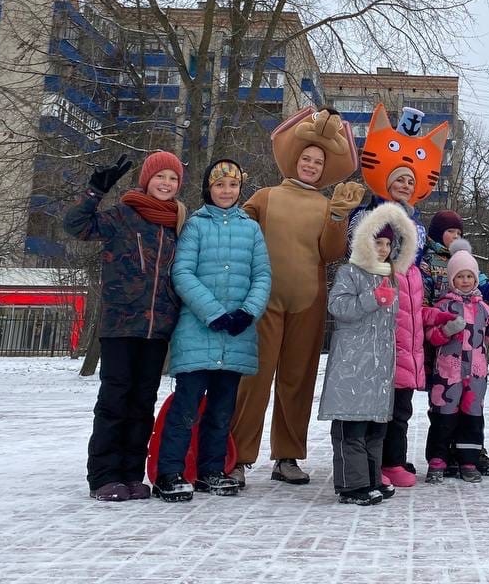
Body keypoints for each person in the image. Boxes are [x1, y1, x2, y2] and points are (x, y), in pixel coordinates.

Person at [229, 108, 365, 488]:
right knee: (253, 379)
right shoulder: (265, 196)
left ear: (324, 169)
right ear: (295, 159)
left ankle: (287, 456)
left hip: (309, 301)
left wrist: (338, 216)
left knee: (297, 379)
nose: (310, 165)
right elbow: (236, 234)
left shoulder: (326, 205)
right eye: (306, 158)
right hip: (264, 301)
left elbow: (331, 253)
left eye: (317, 161)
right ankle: (237, 457)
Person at [63, 150, 187, 502]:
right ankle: (103, 476)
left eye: (173, 178)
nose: (166, 183)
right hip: (120, 325)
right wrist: (93, 192)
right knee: (114, 401)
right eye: (160, 176)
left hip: (159, 327)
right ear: (146, 180)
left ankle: (131, 474)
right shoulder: (122, 216)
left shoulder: (178, 223)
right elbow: (76, 226)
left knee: (142, 403)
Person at [154, 159, 271, 502]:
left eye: (232, 185)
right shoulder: (195, 226)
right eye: (219, 185)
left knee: (222, 410)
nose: (226, 191)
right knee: (187, 407)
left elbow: (262, 275)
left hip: (237, 335)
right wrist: (213, 313)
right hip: (198, 332)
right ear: (209, 187)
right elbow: (183, 273)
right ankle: (170, 471)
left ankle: (211, 470)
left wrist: (248, 312)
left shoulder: (250, 229)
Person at [350, 104, 452, 490]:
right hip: (377, 319)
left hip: (408, 321)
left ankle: (395, 459)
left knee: (403, 401)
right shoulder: (366, 215)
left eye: (411, 181)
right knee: (378, 398)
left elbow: (419, 272)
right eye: (399, 179)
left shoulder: (419, 228)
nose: (405, 185)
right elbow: (357, 258)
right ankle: (373, 461)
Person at [318, 201, 419, 505]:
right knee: (352, 426)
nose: (384, 248)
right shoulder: (351, 272)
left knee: (375, 428)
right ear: (364, 240)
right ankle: (352, 485)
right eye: (378, 241)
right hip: (352, 367)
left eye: (389, 243)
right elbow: (338, 307)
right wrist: (372, 298)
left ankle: (372, 478)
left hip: (378, 369)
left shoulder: (389, 276)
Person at [423, 241, 489, 483]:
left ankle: (468, 461)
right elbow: (431, 336)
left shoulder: (484, 309)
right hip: (447, 375)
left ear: (476, 279)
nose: (465, 281)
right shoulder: (443, 306)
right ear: (452, 279)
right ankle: (437, 461)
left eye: (469, 276)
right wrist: (446, 330)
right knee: (443, 419)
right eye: (460, 276)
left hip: (475, 376)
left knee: (472, 419)